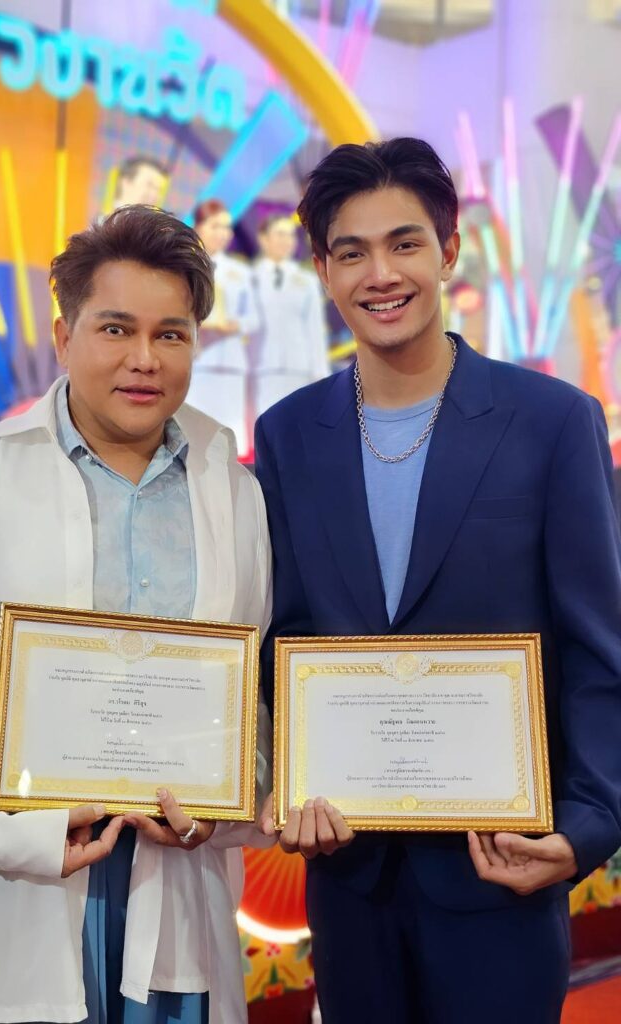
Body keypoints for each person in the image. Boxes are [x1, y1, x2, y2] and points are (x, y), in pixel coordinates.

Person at [0, 206, 273, 1024]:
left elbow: (249, 692)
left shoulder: (233, 491)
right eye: (116, 329)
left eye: (171, 334)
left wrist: (231, 798)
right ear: (63, 334)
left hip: (171, 895)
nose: (144, 359)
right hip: (6, 892)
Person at [255, 138, 621, 1023]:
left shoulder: (552, 421)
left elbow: (598, 649)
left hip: (501, 867)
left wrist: (585, 825)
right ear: (323, 271)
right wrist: (287, 776)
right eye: (352, 252)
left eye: (405, 244)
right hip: (350, 875)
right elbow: (286, 636)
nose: (381, 274)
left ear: (449, 251)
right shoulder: (287, 435)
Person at [186, 200, 259, 457]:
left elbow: (254, 318)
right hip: (197, 361)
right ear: (198, 227)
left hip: (230, 362)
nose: (222, 234)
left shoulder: (240, 271)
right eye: (215, 226)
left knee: (229, 437)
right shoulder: (183, 267)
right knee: (194, 435)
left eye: (226, 228)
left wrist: (235, 325)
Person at [252, 213, 329, 416]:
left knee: (299, 420)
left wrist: (320, 372)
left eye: (290, 235)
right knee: (266, 422)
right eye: (280, 234)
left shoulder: (307, 280)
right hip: (263, 367)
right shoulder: (250, 278)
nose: (286, 240)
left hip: (299, 366)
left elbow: (314, 327)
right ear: (264, 239)